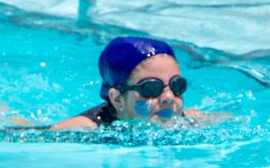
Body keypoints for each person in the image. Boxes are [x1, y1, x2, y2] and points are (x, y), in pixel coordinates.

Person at [51, 36, 203, 130]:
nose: (169, 97)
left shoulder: (187, 120)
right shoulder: (86, 128)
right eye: (151, 88)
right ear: (117, 99)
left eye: (177, 86)